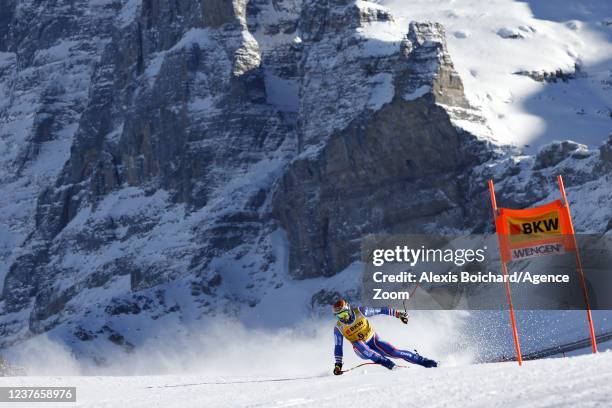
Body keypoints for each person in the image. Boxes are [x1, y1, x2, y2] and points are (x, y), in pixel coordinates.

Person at [332, 299, 438, 375]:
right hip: (361, 349)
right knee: (358, 343)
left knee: (394, 352)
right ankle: (390, 365)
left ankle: (426, 362)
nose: (343, 318)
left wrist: (398, 314)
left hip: (374, 340)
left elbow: (381, 310)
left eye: (344, 314)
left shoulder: (361, 312)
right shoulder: (339, 328)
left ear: (349, 310)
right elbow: (338, 347)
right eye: (339, 316)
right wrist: (338, 365)